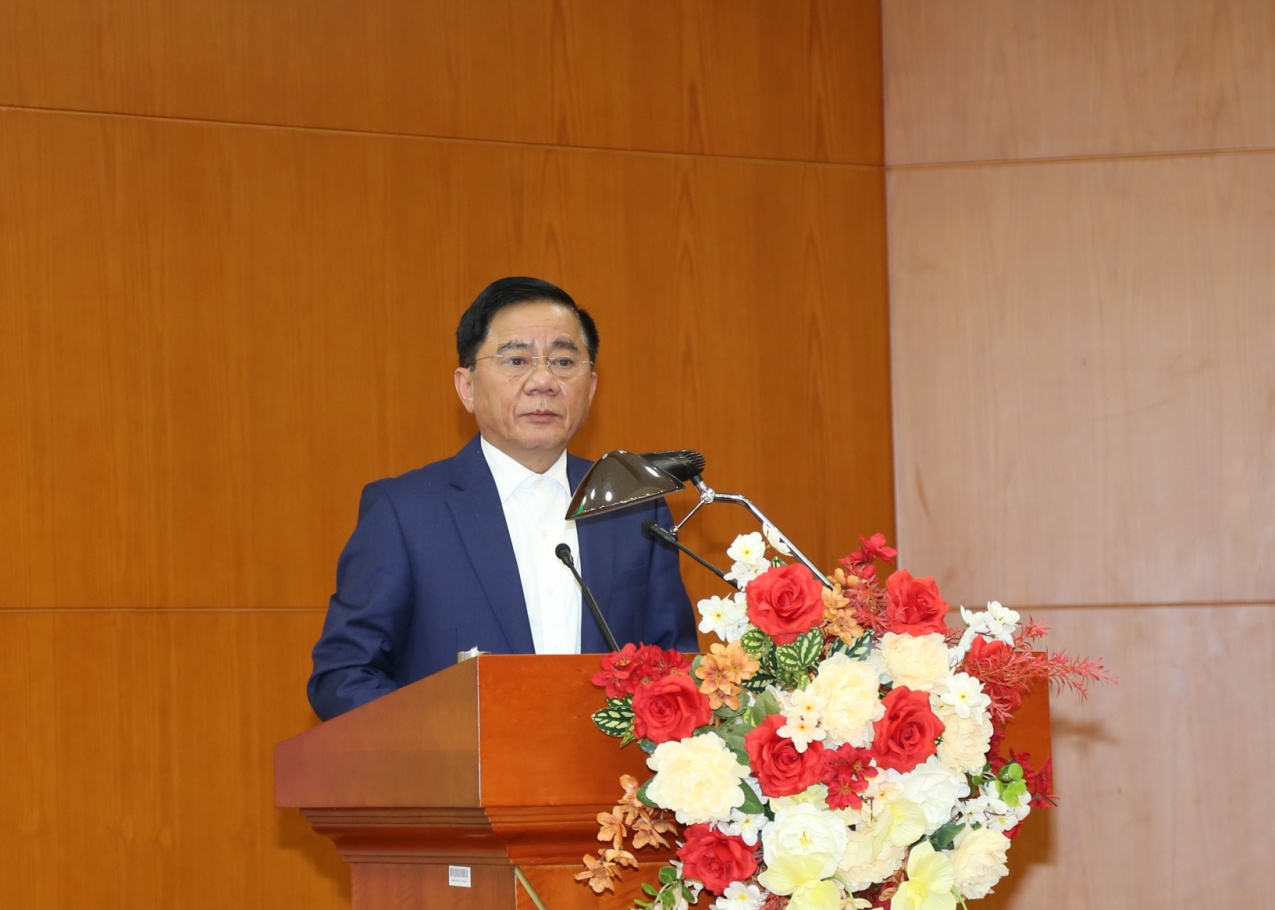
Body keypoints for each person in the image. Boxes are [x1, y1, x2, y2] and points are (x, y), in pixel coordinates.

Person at [307, 277, 698, 721]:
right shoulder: (406, 513)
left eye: (563, 361)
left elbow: (675, 666)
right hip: (457, 764)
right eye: (516, 360)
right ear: (467, 387)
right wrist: (441, 743)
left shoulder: (633, 505)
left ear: (590, 388)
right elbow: (343, 676)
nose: (543, 381)